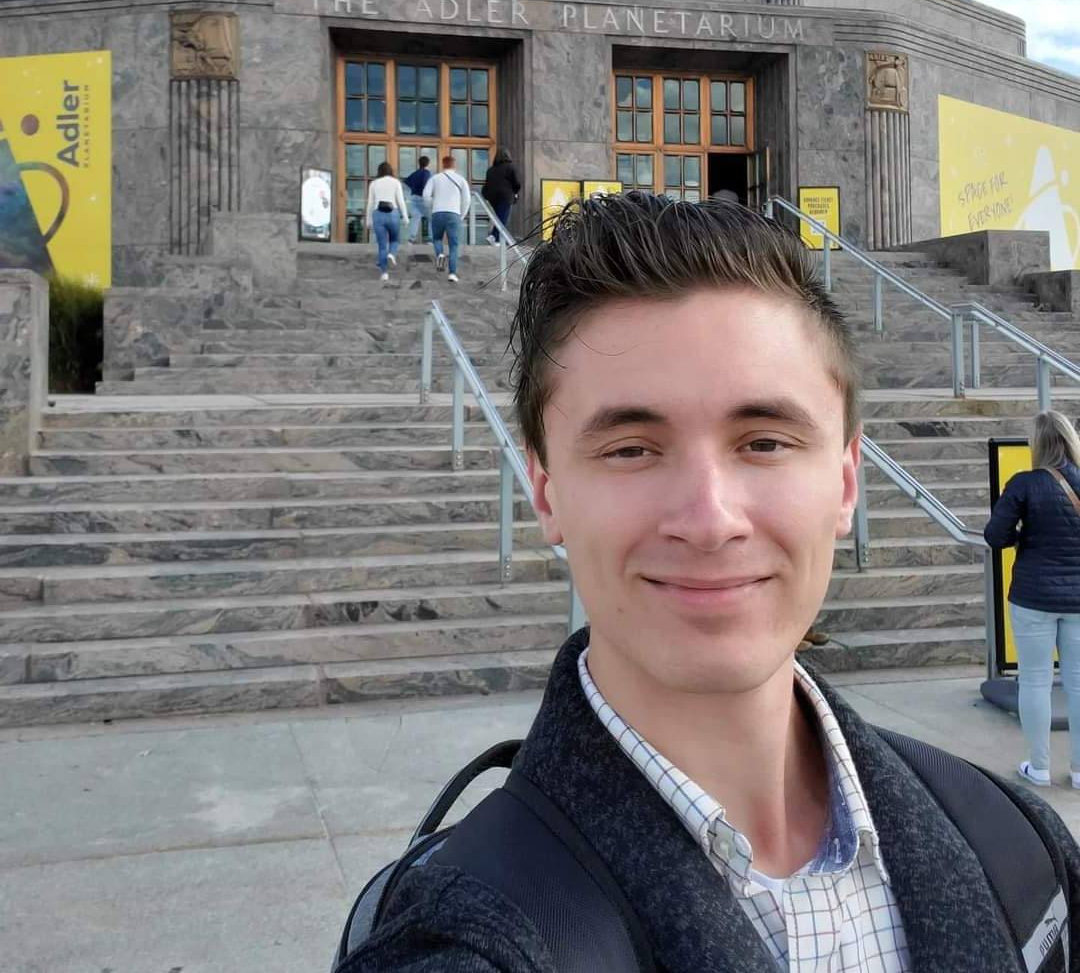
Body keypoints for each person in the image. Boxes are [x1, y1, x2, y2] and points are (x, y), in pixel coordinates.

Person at [344, 195, 1080, 972]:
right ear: (547, 490)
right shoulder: (461, 943)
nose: (709, 520)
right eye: (631, 449)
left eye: (764, 442)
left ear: (845, 480)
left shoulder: (1016, 846)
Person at [985, 409, 1080, 789]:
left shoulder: (1024, 484)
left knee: (1036, 680)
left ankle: (1039, 767)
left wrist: (1023, 536)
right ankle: (1079, 771)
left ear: (1037, 444)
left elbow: (995, 536)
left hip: (1033, 596)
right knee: (1078, 683)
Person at [423, 155, 471, 283]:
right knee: (453, 245)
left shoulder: (435, 178)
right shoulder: (461, 179)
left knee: (437, 238)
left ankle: (440, 254)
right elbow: (467, 200)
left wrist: (432, 207)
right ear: (454, 165)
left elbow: (426, 196)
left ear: (443, 165)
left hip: (437, 213)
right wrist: (462, 215)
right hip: (454, 214)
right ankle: (452, 274)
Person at [365, 161, 409, 282]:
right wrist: (405, 217)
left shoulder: (373, 183)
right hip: (392, 213)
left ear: (379, 171)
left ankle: (384, 273)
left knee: (382, 245)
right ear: (391, 171)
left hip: (378, 214)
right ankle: (391, 254)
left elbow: (370, 203)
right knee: (395, 239)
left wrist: (368, 220)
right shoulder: (396, 182)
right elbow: (401, 201)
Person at [481, 147, 522, 245]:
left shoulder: (491, 170)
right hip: (505, 197)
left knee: (498, 217)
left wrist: (486, 196)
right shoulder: (510, 167)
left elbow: (487, 185)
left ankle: (497, 239)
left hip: (492, 198)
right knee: (502, 218)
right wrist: (515, 193)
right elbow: (516, 183)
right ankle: (494, 236)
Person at [404, 155, 432, 244]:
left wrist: (413, 188)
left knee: (415, 218)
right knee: (431, 218)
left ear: (419, 163)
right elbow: (425, 184)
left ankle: (411, 239)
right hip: (422, 197)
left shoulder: (415, 173)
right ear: (428, 163)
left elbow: (406, 181)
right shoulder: (426, 173)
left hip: (413, 197)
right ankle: (429, 239)